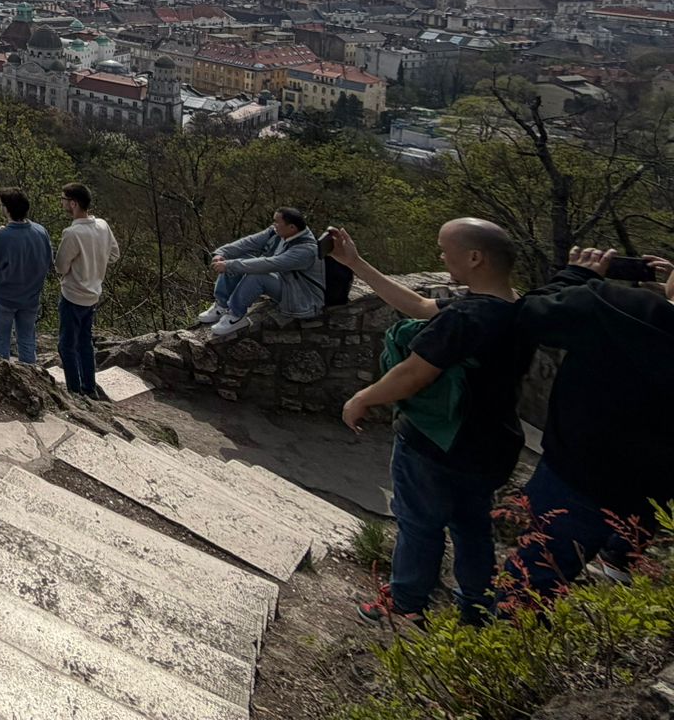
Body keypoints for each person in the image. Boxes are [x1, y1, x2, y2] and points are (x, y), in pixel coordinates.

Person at [331, 219, 534, 625]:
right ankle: (478, 608)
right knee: (472, 526)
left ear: (475, 257)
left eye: (445, 249)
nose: (441, 256)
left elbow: (413, 374)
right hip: (493, 443)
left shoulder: (465, 321)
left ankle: (406, 603)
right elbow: (421, 307)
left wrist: (361, 398)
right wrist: (356, 263)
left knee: (420, 523)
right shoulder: (519, 309)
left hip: (437, 441)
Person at [502, 247, 674, 601]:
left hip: (573, 478)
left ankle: (492, 644)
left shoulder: (616, 306)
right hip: (648, 494)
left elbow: (529, 315)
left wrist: (578, 275)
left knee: (530, 583)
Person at [198, 208, 326, 337]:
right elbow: (250, 242)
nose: (274, 225)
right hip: (286, 282)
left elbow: (270, 264)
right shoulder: (280, 232)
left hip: (302, 298)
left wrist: (229, 265)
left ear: (292, 227)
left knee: (257, 274)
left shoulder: (306, 250)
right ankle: (221, 305)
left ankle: (236, 316)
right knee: (237, 261)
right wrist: (222, 253)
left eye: (277, 222)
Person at [55, 182, 120, 400]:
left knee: (66, 345)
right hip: (93, 293)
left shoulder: (72, 233)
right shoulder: (102, 225)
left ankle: (74, 391)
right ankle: (89, 388)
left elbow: (60, 266)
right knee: (85, 342)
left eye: (63, 199)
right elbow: (114, 255)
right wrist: (95, 264)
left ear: (73, 203)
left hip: (73, 294)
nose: (62, 203)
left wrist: (76, 270)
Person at [0, 189, 51, 363]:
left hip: (3, 297)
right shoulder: (40, 231)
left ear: (7, 209)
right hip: (31, 297)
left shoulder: (2, 235)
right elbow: (48, 260)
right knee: (27, 342)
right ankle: (31, 380)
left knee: (0, 346)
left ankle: (3, 383)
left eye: (0, 204)